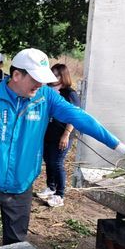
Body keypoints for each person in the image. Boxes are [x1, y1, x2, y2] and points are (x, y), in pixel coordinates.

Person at [0, 48, 125, 249]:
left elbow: (80, 118)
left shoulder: (45, 98)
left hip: (21, 187)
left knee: (15, 244)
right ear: (16, 75)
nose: (41, 84)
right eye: (36, 79)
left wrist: (120, 146)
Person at [37, 64, 80, 208]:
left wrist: (66, 134)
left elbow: (74, 116)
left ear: (63, 76)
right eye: (52, 74)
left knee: (57, 162)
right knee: (48, 160)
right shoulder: (47, 90)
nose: (53, 77)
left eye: (57, 75)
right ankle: (51, 187)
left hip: (62, 133)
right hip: (48, 132)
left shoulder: (69, 93)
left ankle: (60, 194)